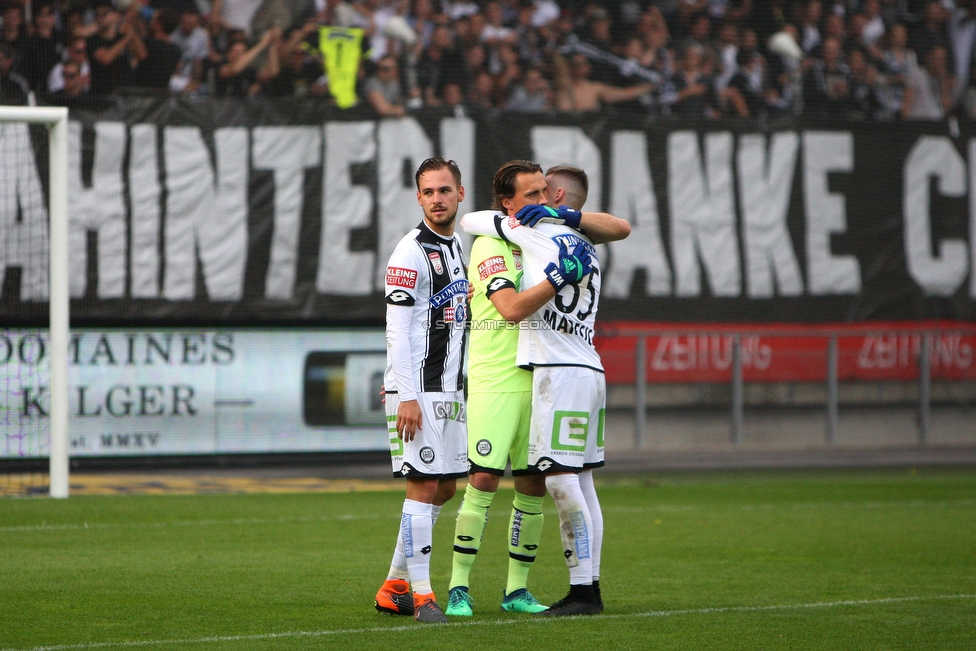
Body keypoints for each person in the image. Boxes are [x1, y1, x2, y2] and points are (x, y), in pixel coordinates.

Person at [458, 161, 630, 617]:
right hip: (590, 367)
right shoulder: (584, 243)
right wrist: (570, 218)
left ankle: (582, 591)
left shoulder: (535, 234)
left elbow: (470, 220)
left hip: (558, 369)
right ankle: (589, 584)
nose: (536, 202)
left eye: (542, 194)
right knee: (585, 482)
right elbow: (622, 227)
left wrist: (511, 218)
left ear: (555, 199)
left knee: (557, 478)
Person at [374, 157, 470, 624]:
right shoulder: (409, 250)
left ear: (460, 194)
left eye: (444, 190)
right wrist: (404, 392)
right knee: (424, 483)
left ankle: (395, 584)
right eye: (428, 192)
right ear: (418, 198)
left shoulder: (457, 249)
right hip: (420, 392)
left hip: (449, 389)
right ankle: (424, 596)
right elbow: (396, 326)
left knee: (447, 487)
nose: (437, 199)